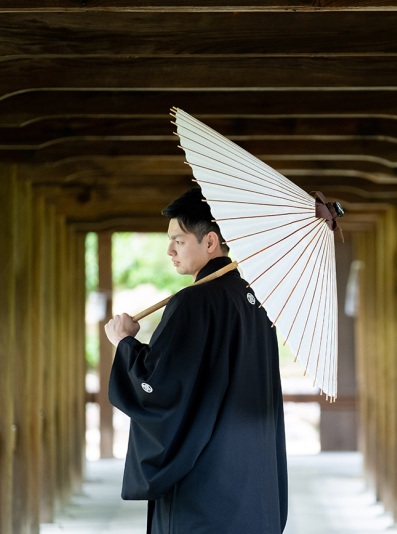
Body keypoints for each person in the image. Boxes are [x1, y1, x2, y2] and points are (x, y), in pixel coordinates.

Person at [103, 188, 288, 534]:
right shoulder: (255, 301)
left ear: (211, 241)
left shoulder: (193, 302)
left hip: (207, 487)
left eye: (179, 240)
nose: (170, 250)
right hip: (254, 485)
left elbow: (160, 388)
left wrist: (125, 343)